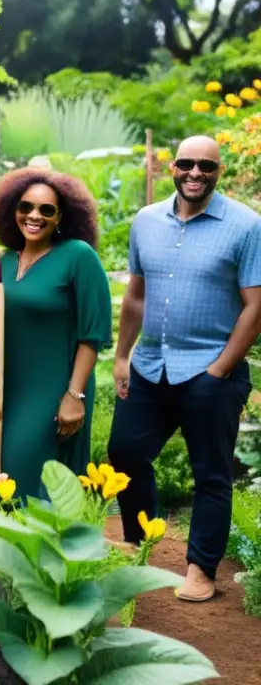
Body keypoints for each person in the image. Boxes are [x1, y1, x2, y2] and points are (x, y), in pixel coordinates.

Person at [108, 135, 261, 602]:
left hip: (210, 370)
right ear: (171, 167)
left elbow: (255, 306)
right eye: (186, 164)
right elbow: (136, 294)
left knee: (210, 473)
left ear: (219, 170)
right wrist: (121, 355)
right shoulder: (146, 221)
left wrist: (220, 370)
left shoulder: (246, 226)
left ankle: (201, 568)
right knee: (125, 453)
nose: (196, 173)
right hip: (152, 365)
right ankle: (139, 542)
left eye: (206, 167)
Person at [0, 168, 111, 501]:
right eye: (26, 207)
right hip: (8, 389)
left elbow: (92, 335)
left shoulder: (78, 256)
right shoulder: (4, 262)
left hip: (54, 390)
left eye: (46, 210)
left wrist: (74, 395)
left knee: (27, 469)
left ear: (62, 216)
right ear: (12, 210)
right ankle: (8, 550)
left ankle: (41, 550)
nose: (34, 216)